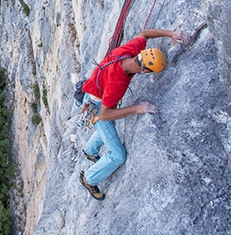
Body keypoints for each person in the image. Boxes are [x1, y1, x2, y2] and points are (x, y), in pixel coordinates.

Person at [78, 28, 190, 200]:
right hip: (97, 106)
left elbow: (144, 33)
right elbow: (105, 114)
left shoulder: (130, 51)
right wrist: (136, 109)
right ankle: (89, 178)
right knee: (117, 156)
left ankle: (90, 151)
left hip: (91, 93)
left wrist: (171, 34)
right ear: (145, 70)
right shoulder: (117, 82)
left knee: (107, 129)